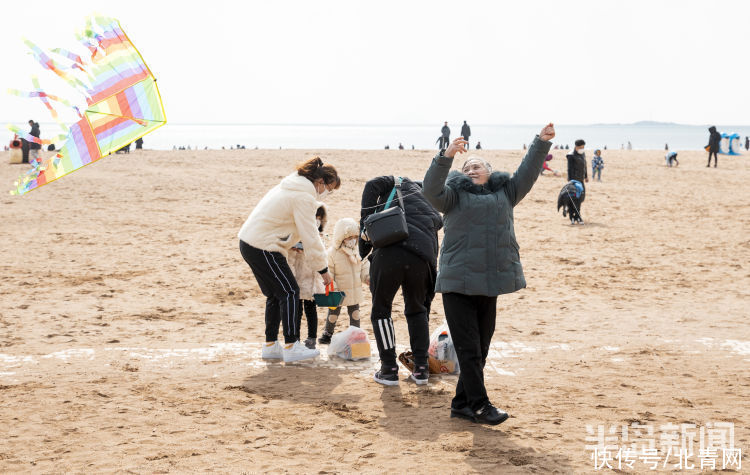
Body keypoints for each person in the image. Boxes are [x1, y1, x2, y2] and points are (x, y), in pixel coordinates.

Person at [422, 123, 555, 425]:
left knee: (480, 349)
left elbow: (528, 171)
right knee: (469, 350)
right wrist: (447, 155)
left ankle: (460, 404)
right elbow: (430, 189)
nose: (471, 169)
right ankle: (480, 406)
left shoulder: (506, 193)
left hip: (489, 283)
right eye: (467, 166)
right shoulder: (452, 197)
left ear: (490, 172)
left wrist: (540, 142)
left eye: (477, 165)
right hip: (457, 283)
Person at [238, 157, 339, 363]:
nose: (329, 193)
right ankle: (292, 345)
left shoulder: (292, 185)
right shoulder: (304, 197)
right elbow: (311, 237)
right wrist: (323, 271)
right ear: (320, 182)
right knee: (290, 291)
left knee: (275, 295)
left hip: (250, 242)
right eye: (330, 188)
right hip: (263, 246)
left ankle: (270, 345)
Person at [360, 175, 443, 386]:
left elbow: (371, 185)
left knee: (381, 311)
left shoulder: (394, 181)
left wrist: (364, 236)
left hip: (389, 251)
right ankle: (421, 369)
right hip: (422, 257)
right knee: (417, 310)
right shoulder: (430, 200)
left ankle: (388, 369)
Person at [318, 218, 370, 344]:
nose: (353, 240)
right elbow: (329, 271)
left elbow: (363, 266)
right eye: (349, 237)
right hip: (338, 290)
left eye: (355, 237)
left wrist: (367, 277)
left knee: (355, 314)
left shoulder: (357, 251)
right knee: (333, 313)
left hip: (354, 290)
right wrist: (333, 287)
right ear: (341, 237)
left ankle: (355, 334)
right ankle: (327, 333)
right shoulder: (332, 253)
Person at [287, 206, 328, 349]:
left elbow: (321, 258)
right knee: (297, 311)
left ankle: (311, 338)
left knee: (311, 310)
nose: (316, 222)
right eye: (314, 219)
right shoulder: (295, 236)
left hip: (311, 280)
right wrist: (293, 249)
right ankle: (296, 338)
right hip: (297, 278)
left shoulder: (320, 238)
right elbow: (289, 259)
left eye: (319, 219)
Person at [566, 139, 588, 224]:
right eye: (581, 147)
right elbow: (569, 169)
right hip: (574, 180)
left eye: (583, 147)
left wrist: (586, 176)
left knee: (581, 198)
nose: (582, 149)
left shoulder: (582, 154)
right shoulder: (571, 155)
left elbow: (584, 166)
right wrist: (571, 181)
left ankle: (576, 216)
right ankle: (575, 217)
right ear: (576, 147)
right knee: (575, 198)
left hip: (581, 180)